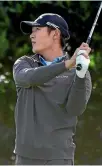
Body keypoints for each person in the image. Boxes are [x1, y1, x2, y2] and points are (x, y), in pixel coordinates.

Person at [13, 13, 92, 165]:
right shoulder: (25, 63)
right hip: (25, 157)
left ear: (55, 33)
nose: (31, 35)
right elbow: (30, 78)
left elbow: (75, 109)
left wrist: (80, 75)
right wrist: (68, 64)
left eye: (37, 29)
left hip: (58, 157)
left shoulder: (79, 71)